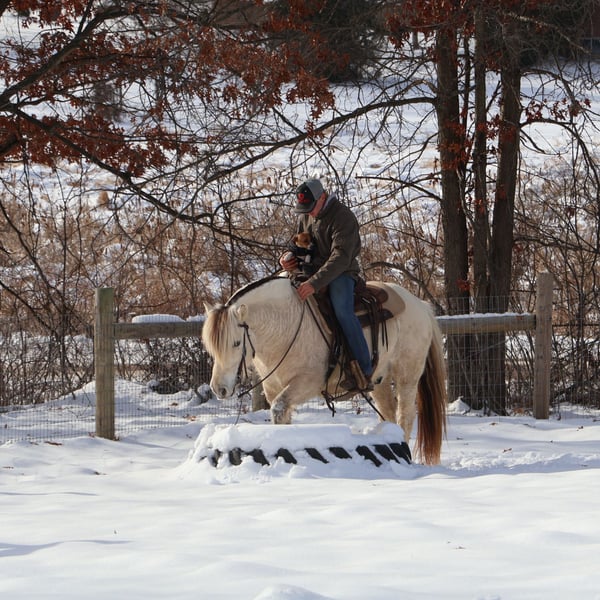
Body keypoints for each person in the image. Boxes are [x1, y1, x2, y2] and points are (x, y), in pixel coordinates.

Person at [279, 178, 373, 390]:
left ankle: (364, 370)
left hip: (341, 272)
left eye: (311, 207)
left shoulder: (343, 217)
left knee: (343, 311)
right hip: (310, 271)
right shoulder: (307, 214)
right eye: (305, 209)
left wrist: (314, 283)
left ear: (322, 197)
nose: (309, 213)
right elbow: (299, 241)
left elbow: (341, 257)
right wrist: (287, 257)